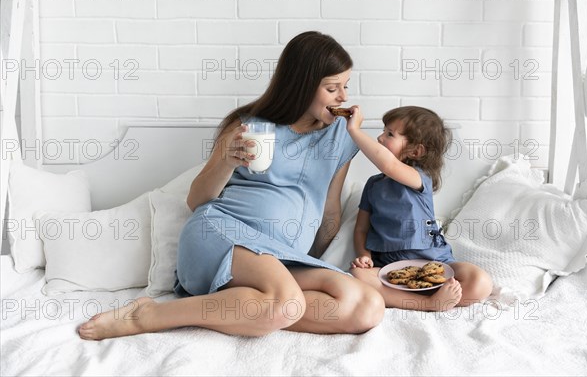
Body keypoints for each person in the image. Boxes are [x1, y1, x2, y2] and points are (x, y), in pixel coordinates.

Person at [78, 31, 384, 340]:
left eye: (345, 86)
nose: (343, 97)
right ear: (302, 84)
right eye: (332, 88)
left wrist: (315, 264)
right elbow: (197, 200)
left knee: (366, 305)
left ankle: (255, 308)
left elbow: (330, 207)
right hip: (223, 233)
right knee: (286, 302)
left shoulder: (341, 137)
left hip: (281, 260)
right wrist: (226, 160)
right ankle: (149, 314)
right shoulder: (248, 126)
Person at [346, 106, 493, 311]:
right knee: (357, 276)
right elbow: (361, 228)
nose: (379, 138)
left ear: (416, 151)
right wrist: (364, 256)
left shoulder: (418, 178)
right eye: (383, 131)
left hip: (433, 259)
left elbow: (388, 164)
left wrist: (354, 130)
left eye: (389, 134)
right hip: (389, 265)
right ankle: (427, 303)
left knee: (481, 282)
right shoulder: (373, 185)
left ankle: (425, 294)